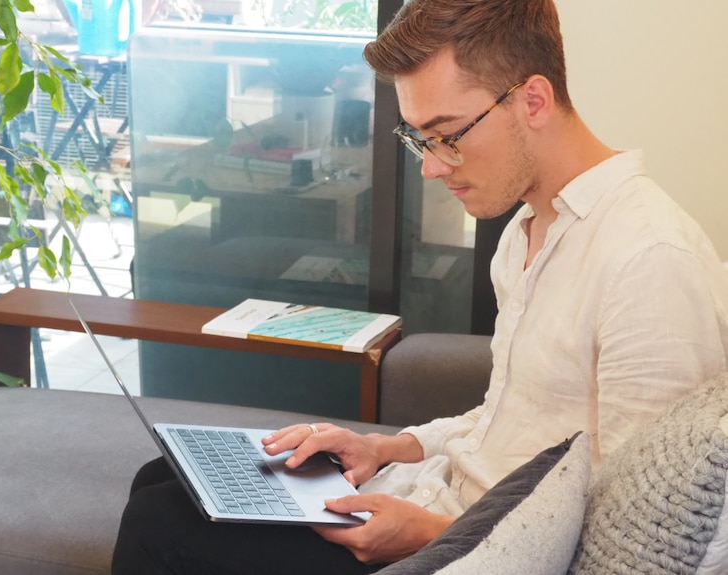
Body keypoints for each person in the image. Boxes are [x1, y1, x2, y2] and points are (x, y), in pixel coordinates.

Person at [111, 0, 728, 572]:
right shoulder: (527, 233)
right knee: (162, 479)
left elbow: (627, 533)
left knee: (160, 523)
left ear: (533, 101)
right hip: (440, 501)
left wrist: (427, 533)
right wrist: (386, 448)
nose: (432, 165)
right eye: (420, 139)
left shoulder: (650, 261)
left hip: (470, 551)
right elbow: (508, 419)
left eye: (448, 134)